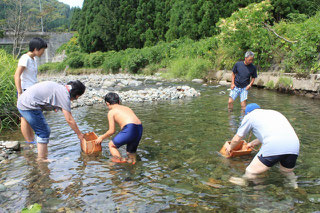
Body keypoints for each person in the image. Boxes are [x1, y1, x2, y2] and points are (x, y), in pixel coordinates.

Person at [225, 103, 300, 188]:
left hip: (274, 145)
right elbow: (276, 133)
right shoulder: (274, 113)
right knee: (286, 171)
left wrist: (230, 148)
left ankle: (247, 183)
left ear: (247, 113)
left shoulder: (250, 116)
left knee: (251, 171)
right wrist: (252, 143)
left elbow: (238, 137)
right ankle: (294, 185)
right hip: (294, 144)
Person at [17, 80, 86, 161]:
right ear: (77, 95)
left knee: (26, 121)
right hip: (29, 105)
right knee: (44, 131)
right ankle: (42, 159)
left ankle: (30, 146)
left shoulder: (61, 88)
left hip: (22, 101)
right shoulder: (64, 95)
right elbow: (69, 119)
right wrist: (79, 134)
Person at [14, 37, 48, 144]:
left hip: (31, 91)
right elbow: (17, 75)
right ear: (36, 49)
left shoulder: (33, 59)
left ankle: (31, 140)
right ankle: (29, 141)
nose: (43, 52)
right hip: (24, 91)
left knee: (29, 116)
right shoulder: (25, 58)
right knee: (24, 117)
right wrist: (20, 92)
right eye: (42, 49)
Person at [95, 92, 143, 164]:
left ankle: (120, 161)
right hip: (139, 128)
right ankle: (133, 168)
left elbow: (112, 131)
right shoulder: (127, 108)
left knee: (111, 145)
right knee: (130, 152)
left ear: (107, 103)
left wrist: (101, 137)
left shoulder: (111, 112)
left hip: (130, 128)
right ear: (119, 101)